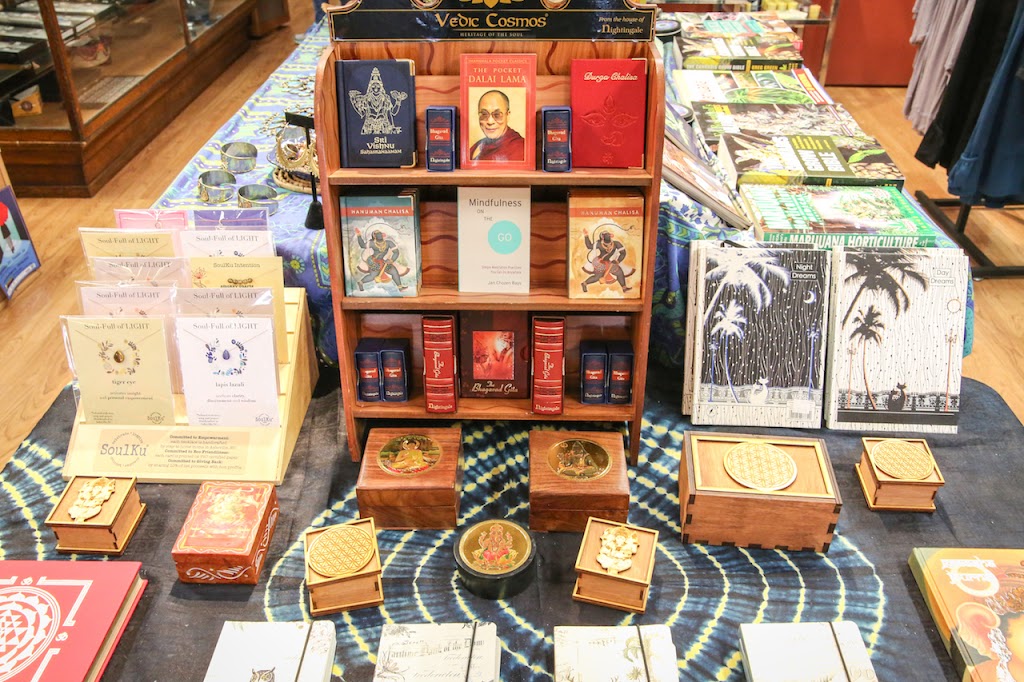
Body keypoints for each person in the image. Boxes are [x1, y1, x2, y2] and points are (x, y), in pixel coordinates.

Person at [469, 90, 525, 162]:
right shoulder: (479, 145)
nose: (490, 121)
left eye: (497, 115)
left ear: (507, 115)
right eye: (484, 114)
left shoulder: (520, 148)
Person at [581, 228, 633, 293]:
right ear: (602, 238)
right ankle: (584, 283)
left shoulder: (616, 244)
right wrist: (586, 236)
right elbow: (589, 246)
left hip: (610, 262)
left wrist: (618, 261)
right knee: (598, 276)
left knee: (619, 272)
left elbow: (623, 253)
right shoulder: (599, 244)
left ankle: (624, 288)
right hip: (600, 262)